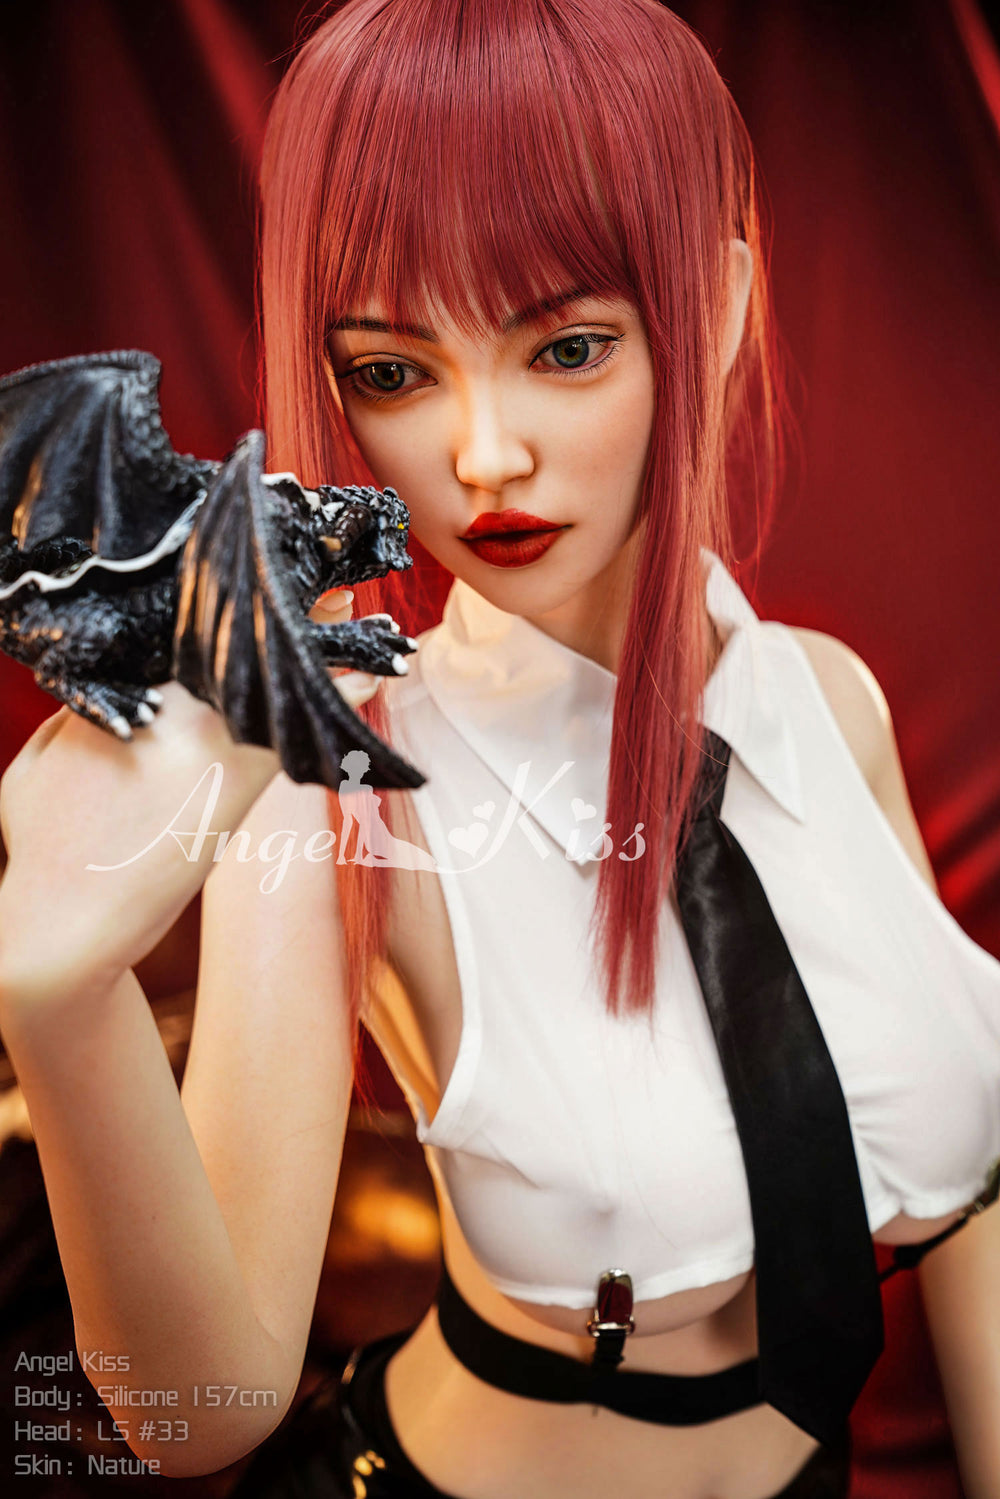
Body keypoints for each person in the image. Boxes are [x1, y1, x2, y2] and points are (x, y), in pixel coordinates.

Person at [0, 2, 998, 1497]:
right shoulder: (344, 795)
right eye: (393, 372)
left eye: (568, 348)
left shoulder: (825, 704)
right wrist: (57, 996)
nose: (482, 456)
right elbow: (195, 1411)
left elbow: (970, 1189)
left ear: (719, 310)